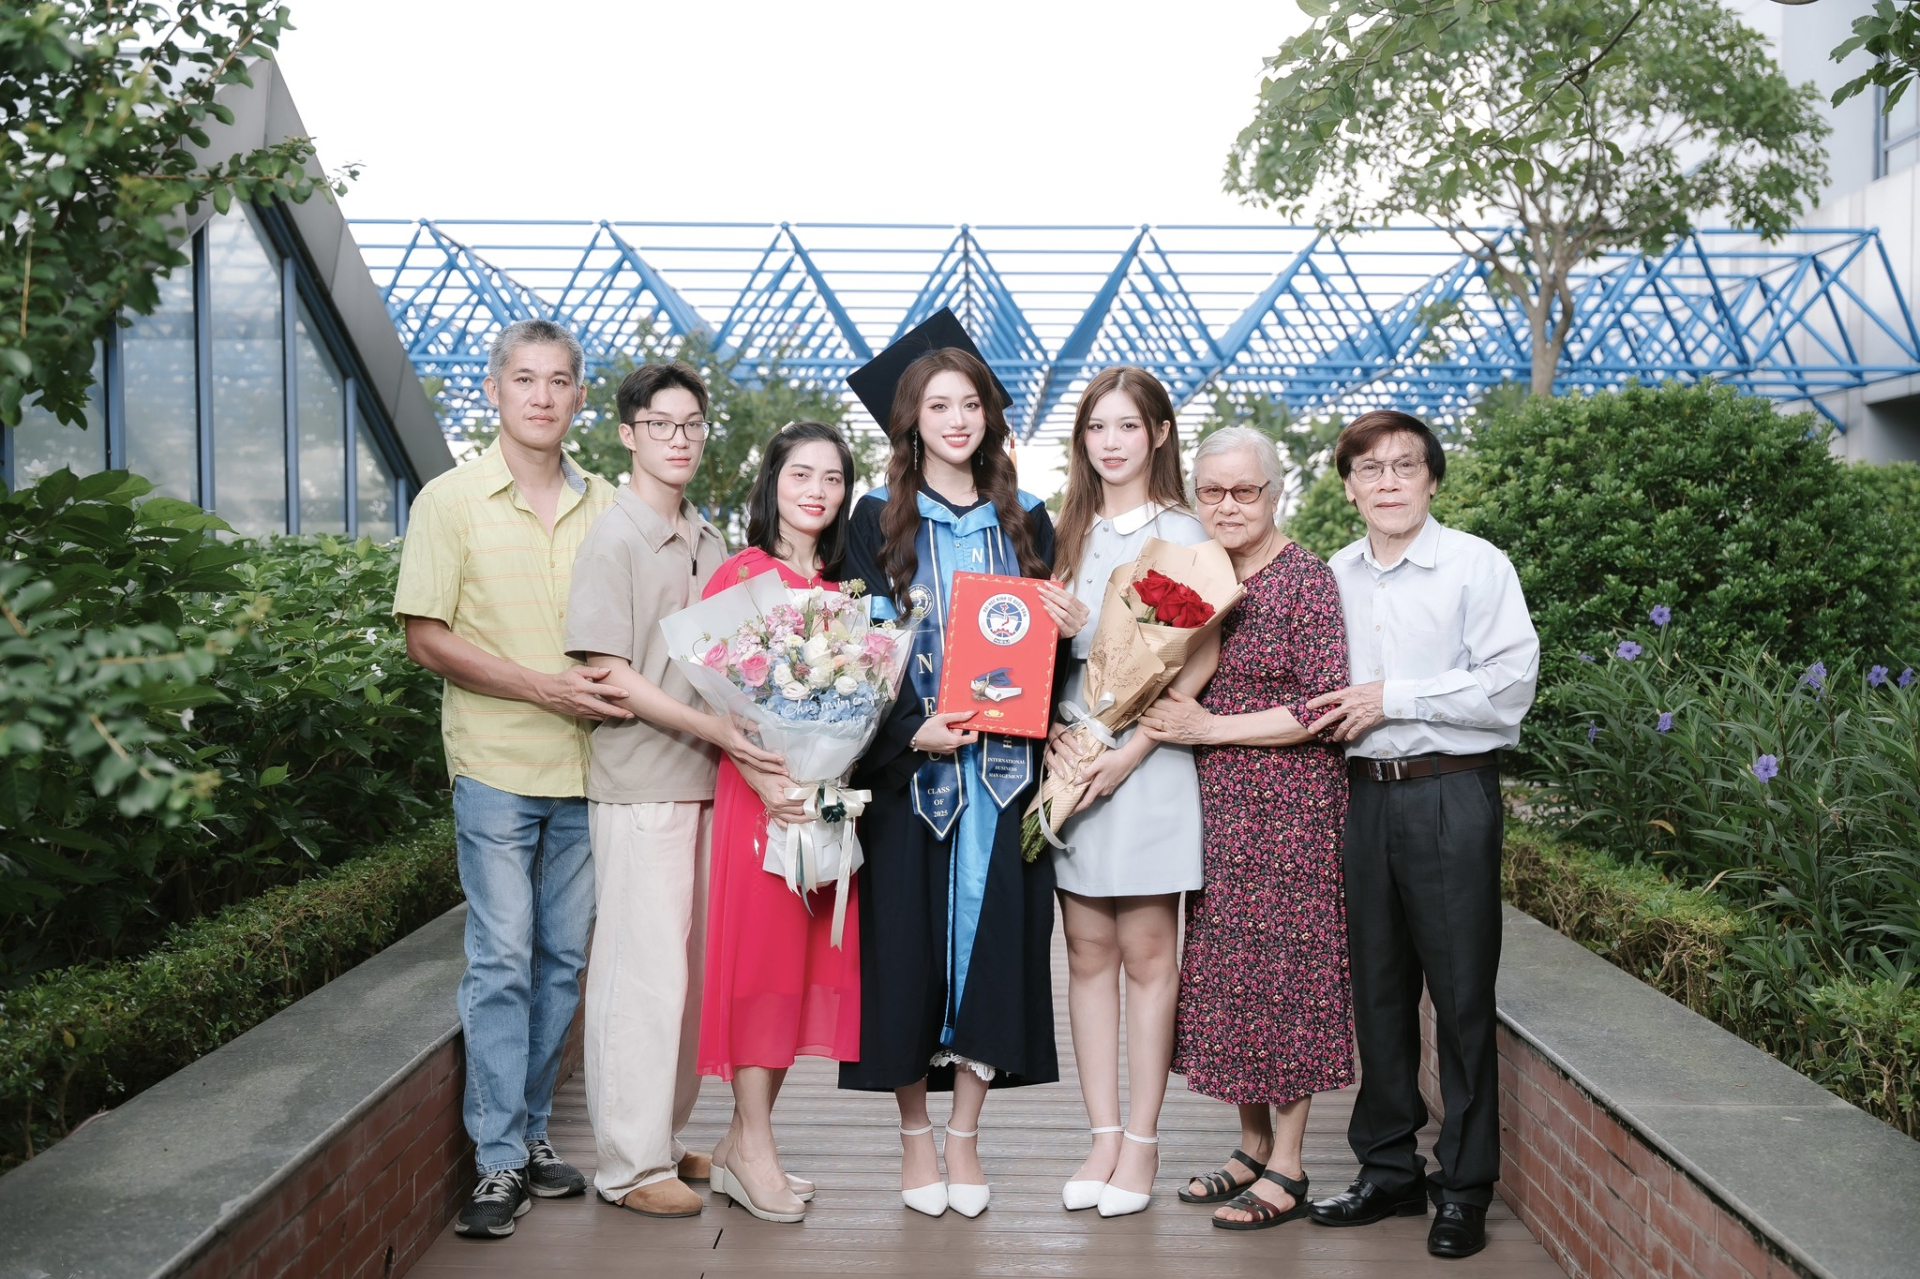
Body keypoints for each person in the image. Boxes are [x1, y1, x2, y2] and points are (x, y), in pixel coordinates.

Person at [838, 312, 1088, 1219]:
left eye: (970, 403)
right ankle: (916, 1136)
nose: (956, 419)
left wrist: (1068, 631)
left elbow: (1047, 662)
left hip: (1004, 778)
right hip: (911, 778)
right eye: (938, 404)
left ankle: (967, 1135)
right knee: (902, 952)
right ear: (911, 418)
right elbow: (856, 649)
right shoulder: (872, 520)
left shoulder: (1028, 520)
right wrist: (911, 731)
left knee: (998, 951)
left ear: (989, 417)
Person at [394, 319, 621, 1238]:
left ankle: (527, 1135)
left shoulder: (610, 505)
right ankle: (495, 1159)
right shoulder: (449, 501)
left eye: (558, 380)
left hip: (589, 769)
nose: (541, 396)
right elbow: (425, 636)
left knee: (561, 961)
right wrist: (543, 686)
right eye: (524, 378)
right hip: (494, 763)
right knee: (501, 959)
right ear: (494, 390)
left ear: (579, 397)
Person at [1302, 410, 1538, 1261]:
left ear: (1433, 478)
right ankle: (1389, 1168)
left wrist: (1393, 697)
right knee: (1378, 990)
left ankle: (1464, 1186)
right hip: (1361, 798)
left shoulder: (1476, 565)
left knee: (1462, 994)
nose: (1389, 481)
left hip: (1450, 793)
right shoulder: (1332, 575)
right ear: (1349, 487)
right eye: (1370, 468)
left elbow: (1509, 685)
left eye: (1406, 465)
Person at [562, 361, 786, 1219]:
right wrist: (718, 730)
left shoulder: (708, 537)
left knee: (690, 977)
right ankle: (626, 1164)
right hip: (642, 782)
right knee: (641, 973)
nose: (680, 439)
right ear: (628, 433)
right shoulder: (613, 539)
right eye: (662, 424)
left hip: (708, 783)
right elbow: (610, 675)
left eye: (692, 424)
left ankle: (661, 1135)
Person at [1138, 425, 1355, 1233]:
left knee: (1286, 981)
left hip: (1291, 811)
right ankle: (1253, 1144)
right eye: (1213, 491)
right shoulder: (1198, 575)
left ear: (1274, 492)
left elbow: (1324, 707)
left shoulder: (1307, 579)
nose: (1228, 505)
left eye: (1245, 490)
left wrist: (1209, 729)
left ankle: (1290, 1164)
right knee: (1231, 980)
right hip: (1219, 810)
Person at [1042, 366, 1210, 1218]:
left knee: (1148, 954)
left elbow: (1200, 654)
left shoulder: (1185, 531)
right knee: (1085, 954)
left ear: (1160, 434)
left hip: (1148, 763)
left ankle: (1143, 1140)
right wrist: (1054, 709)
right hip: (1075, 755)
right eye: (1096, 427)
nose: (1110, 442)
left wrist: (1133, 750)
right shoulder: (1065, 531)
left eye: (1127, 426)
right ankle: (1101, 1135)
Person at [698, 422, 865, 1224]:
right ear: (772, 481)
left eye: (832, 478)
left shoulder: (843, 589)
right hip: (759, 799)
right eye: (802, 473)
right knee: (760, 967)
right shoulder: (741, 576)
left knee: (796, 972)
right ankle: (755, 1145)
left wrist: (827, 767)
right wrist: (771, 779)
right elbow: (715, 701)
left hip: (819, 801)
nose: (817, 491)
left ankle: (740, 1144)